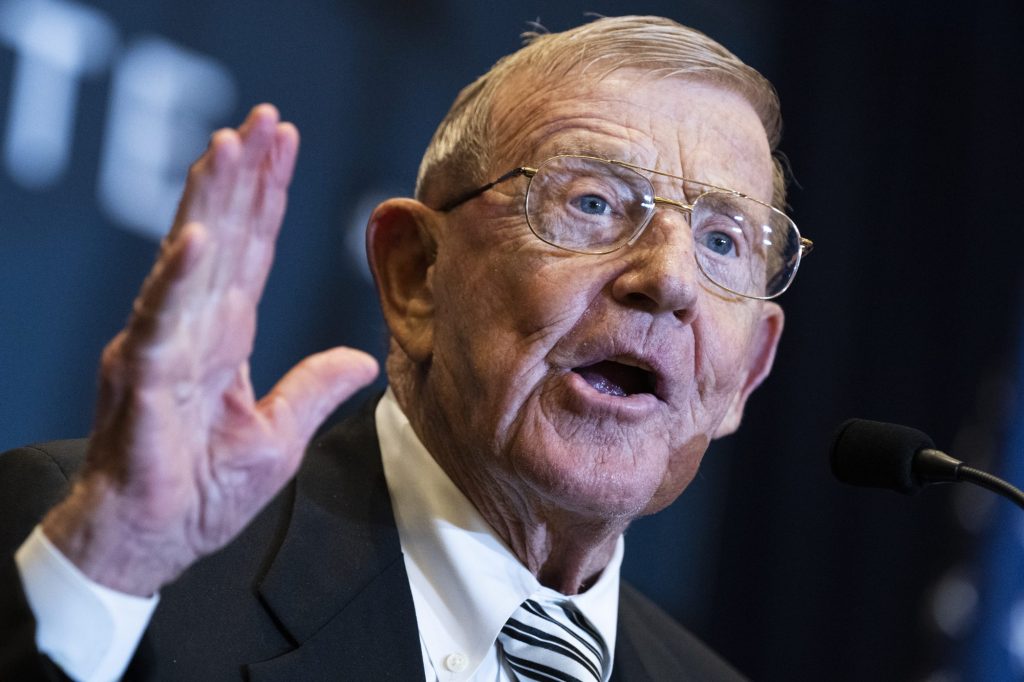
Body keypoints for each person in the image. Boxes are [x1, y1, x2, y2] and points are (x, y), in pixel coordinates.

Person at [0, 15, 811, 682]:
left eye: (721, 241)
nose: (668, 278)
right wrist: (110, 562)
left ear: (746, 373)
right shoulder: (99, 553)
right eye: (594, 201)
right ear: (415, 273)